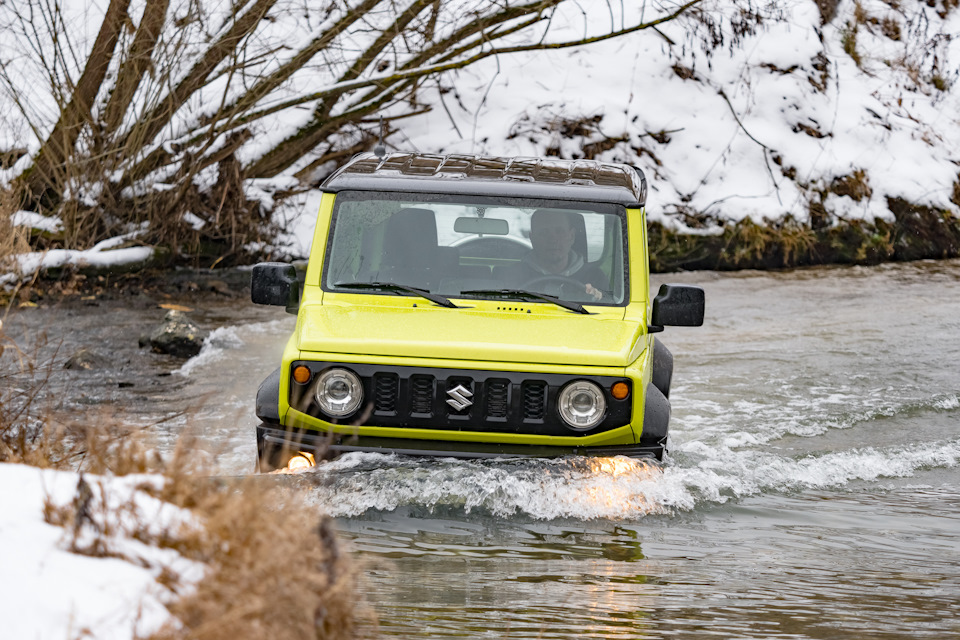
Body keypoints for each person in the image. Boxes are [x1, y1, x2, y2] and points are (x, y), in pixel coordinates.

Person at [503, 209, 607, 301]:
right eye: (544, 233)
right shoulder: (513, 276)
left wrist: (596, 297)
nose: (552, 240)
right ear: (532, 238)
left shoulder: (594, 277)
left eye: (559, 231)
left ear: (571, 236)